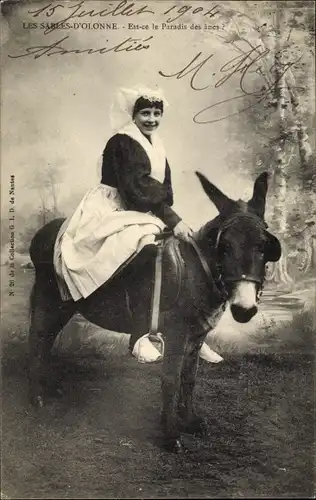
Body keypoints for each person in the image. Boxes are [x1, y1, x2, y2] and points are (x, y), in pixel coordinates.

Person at [55, 86, 223, 364]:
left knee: (183, 250)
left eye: (157, 113)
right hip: (112, 206)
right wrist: (172, 218)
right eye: (145, 113)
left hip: (141, 208)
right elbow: (136, 187)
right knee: (145, 246)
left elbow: (161, 185)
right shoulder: (122, 141)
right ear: (133, 115)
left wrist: (168, 214)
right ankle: (140, 335)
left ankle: (192, 332)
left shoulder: (156, 143)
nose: (152, 119)